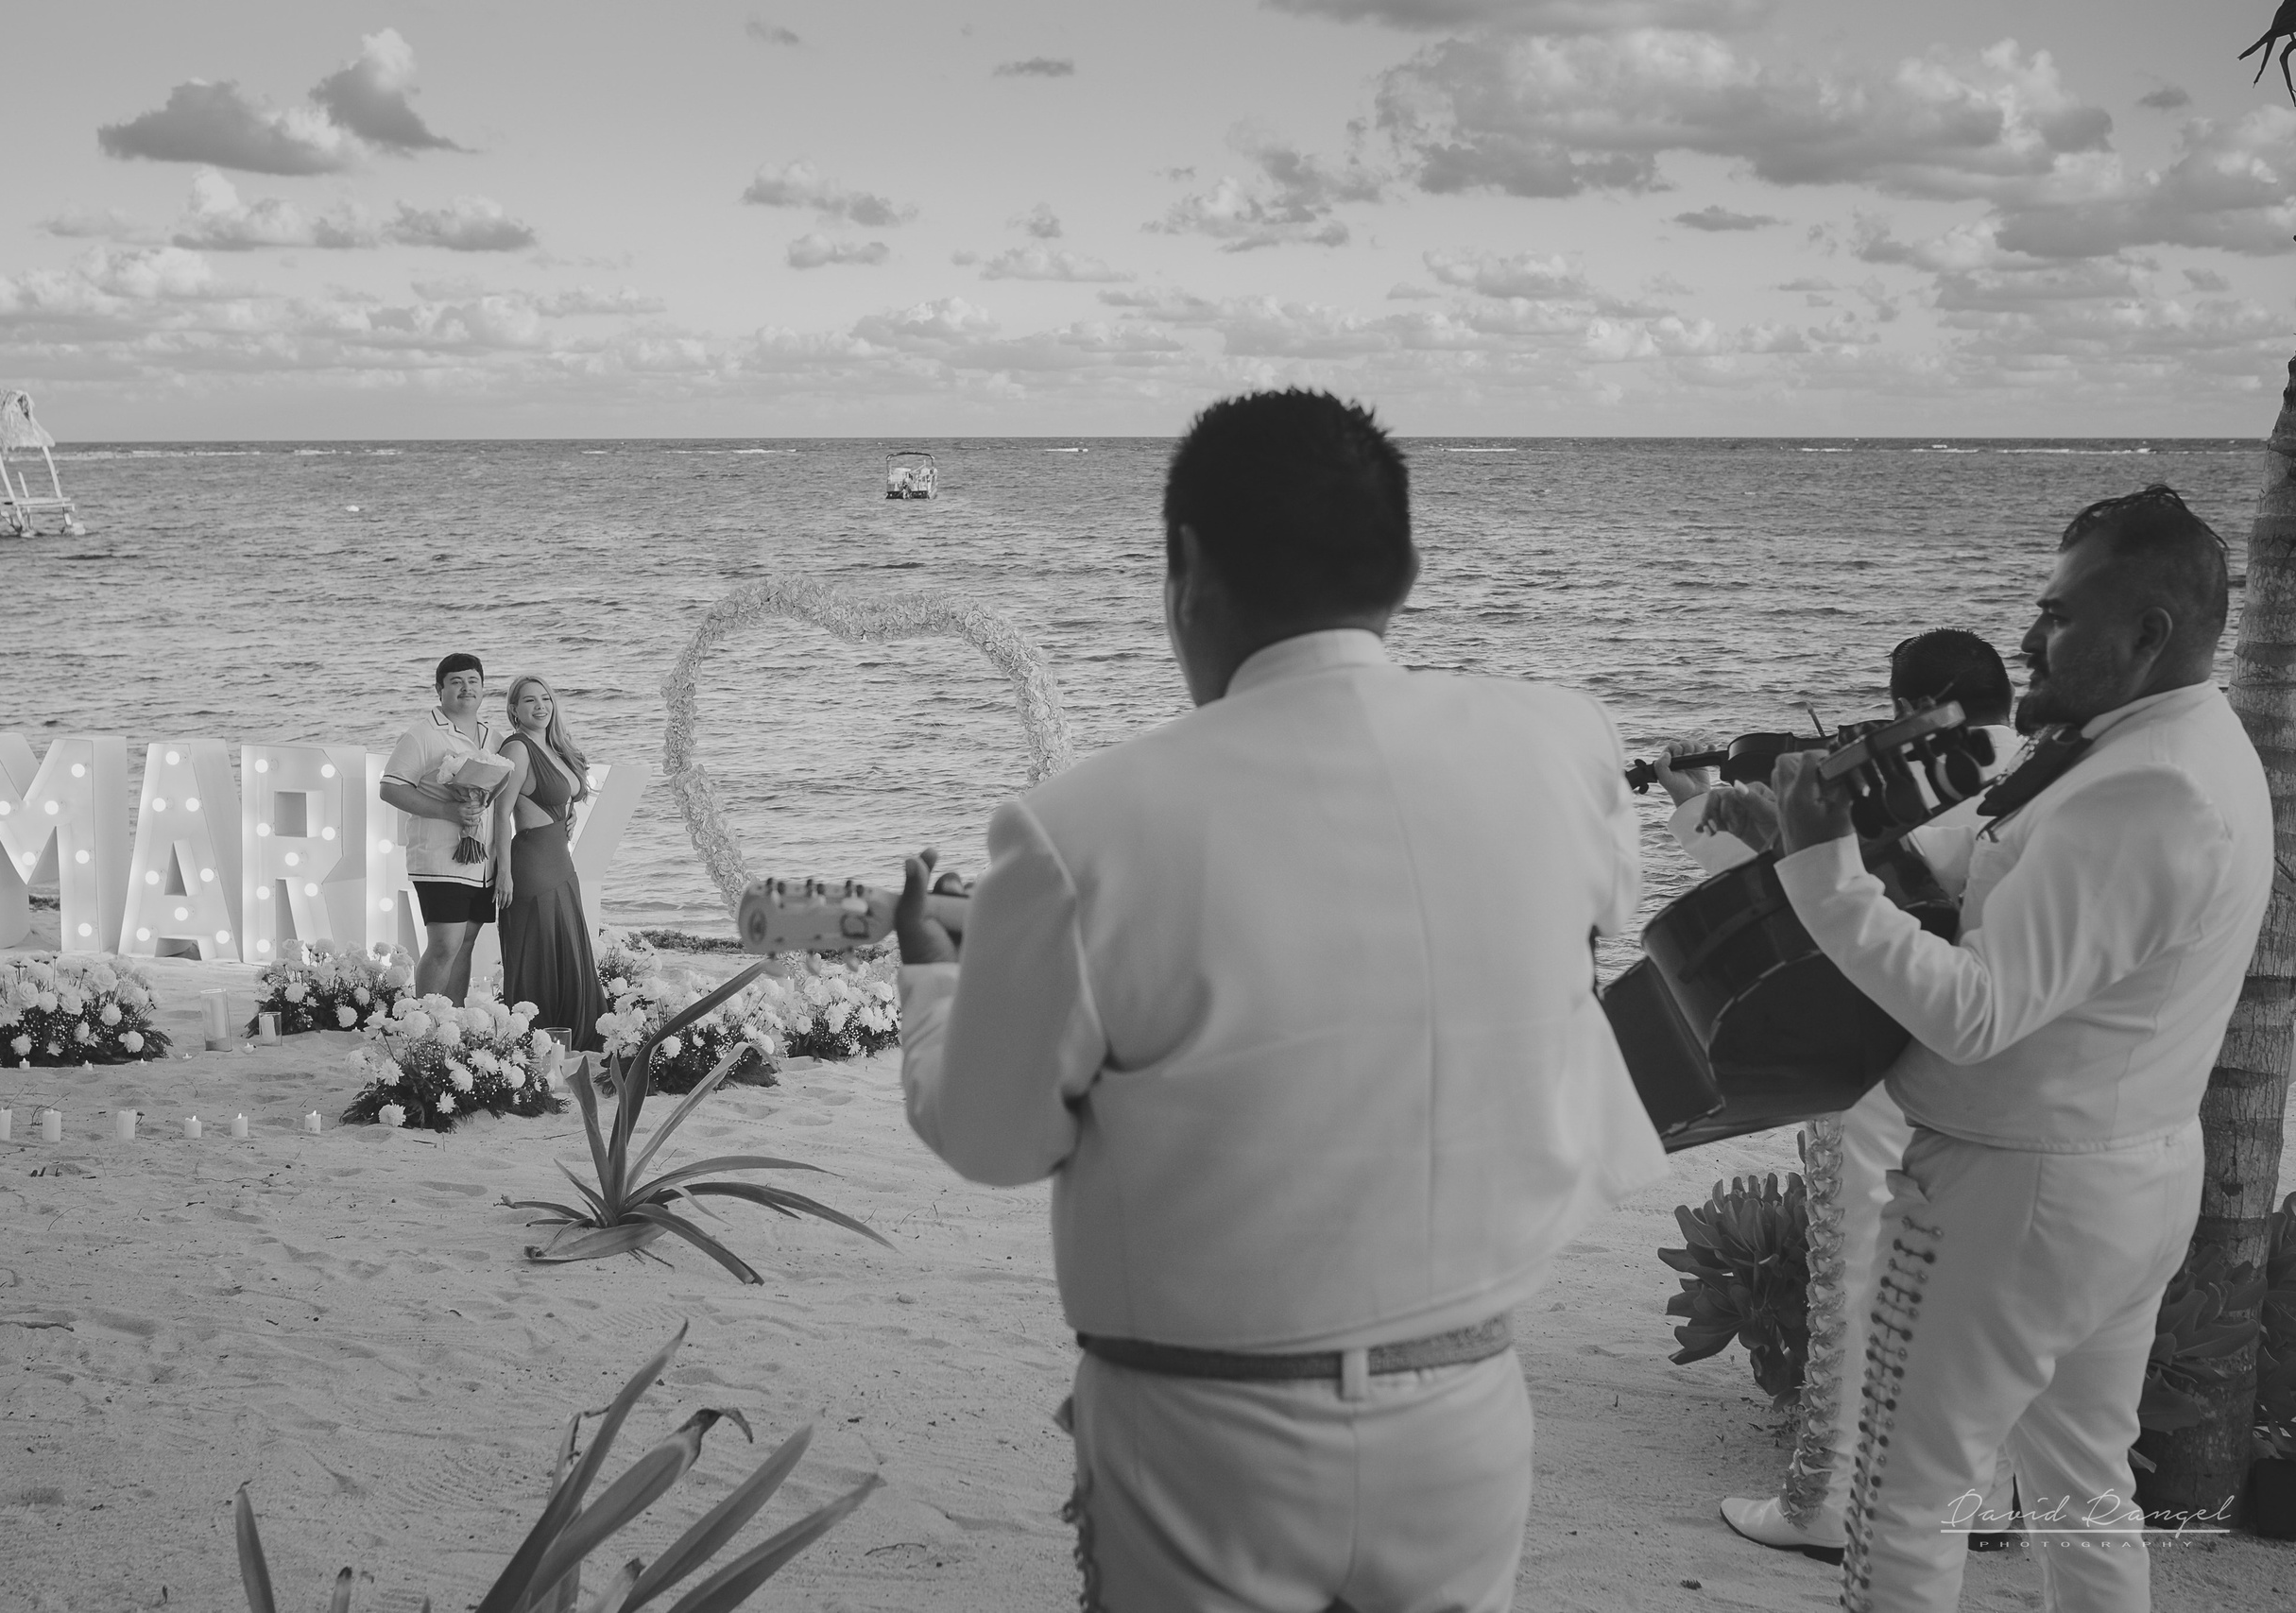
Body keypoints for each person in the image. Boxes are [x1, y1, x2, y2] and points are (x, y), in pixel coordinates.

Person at [890, 388, 1667, 1613]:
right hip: (1465, 1413)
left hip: (1206, 1436)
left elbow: (994, 1138)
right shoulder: (1564, 744)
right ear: (1405, 566)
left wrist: (940, 980)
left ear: (1187, 570)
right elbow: (1573, 918)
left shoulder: (1080, 830)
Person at [1769, 486, 2268, 1613]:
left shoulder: (2147, 785)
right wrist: (1829, 847)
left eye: (2058, 614)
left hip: (2015, 1197)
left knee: (1902, 1506)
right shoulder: (2169, 742)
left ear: (2146, 633)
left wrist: (1822, 873)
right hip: (2116, 1175)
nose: (2031, 637)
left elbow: (1976, 1012)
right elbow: (2009, 886)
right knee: (2084, 1492)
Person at [1647, 630, 2027, 1565]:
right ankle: (1981, 1496)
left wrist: (1702, 806)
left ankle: (1827, 1501)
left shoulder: (1937, 788)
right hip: (2001, 1078)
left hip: (1883, 1059)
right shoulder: (2039, 774)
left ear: (1917, 709)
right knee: (1975, 1295)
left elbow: (1816, 904)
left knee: (1857, 1275)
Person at [491, 674, 607, 1051]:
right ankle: (537, 1040)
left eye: (545, 698)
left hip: (561, 864)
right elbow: (502, 812)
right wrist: (504, 873)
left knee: (569, 950)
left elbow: (563, 793)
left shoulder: (556, 747)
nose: (540, 706)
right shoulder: (517, 748)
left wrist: (567, 813)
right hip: (532, 866)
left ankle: (571, 1037)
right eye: (529, 700)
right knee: (539, 953)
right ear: (514, 710)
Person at [380, 654, 503, 1004]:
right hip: (439, 860)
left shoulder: (493, 738)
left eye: (473, 681)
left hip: (482, 863)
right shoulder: (423, 734)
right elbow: (390, 788)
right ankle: (427, 1020)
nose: (466, 688)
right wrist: (449, 811)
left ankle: (454, 1017)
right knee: (444, 945)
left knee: (465, 944)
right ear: (439, 689)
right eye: (456, 682)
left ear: (483, 688)